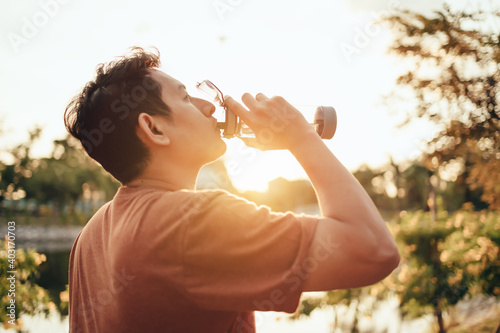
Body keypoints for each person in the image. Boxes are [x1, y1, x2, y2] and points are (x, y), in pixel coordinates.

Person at [64, 47, 400, 333]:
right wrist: (301, 137)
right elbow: (373, 250)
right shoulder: (190, 221)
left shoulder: (89, 238)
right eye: (185, 96)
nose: (210, 106)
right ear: (154, 128)